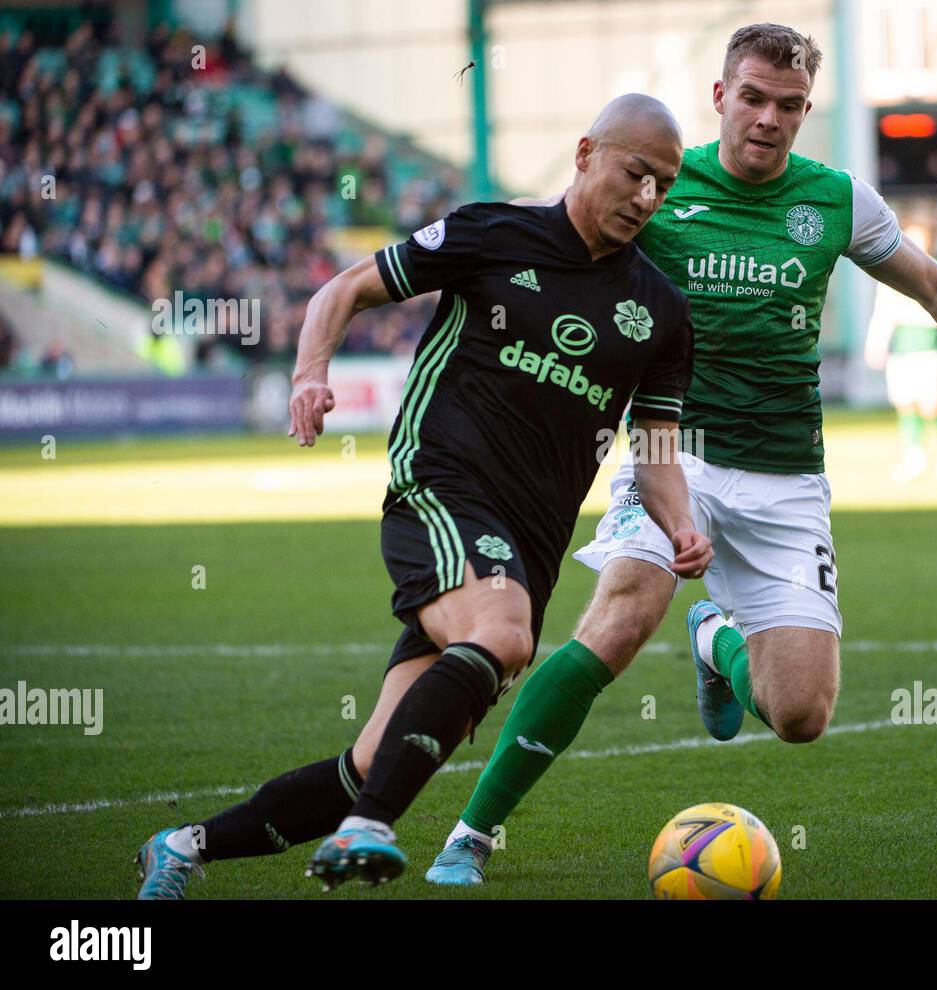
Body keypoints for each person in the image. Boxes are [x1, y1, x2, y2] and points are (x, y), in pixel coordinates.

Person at [427, 22, 937, 886]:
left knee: (801, 714)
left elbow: (933, 286)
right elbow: (555, 242)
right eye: (752, 98)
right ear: (720, 97)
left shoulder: (838, 199)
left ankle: (715, 643)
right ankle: (471, 836)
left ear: (806, 111)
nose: (769, 119)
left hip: (788, 476)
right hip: (677, 456)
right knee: (623, 617)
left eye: (789, 105)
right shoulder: (661, 185)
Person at [134, 94, 711, 898]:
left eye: (665, 185)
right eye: (636, 173)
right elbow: (344, 290)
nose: (648, 197)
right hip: (438, 490)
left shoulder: (660, 310)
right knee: (505, 634)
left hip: (529, 546)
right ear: (585, 154)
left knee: (374, 760)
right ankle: (369, 832)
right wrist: (309, 376)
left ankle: (184, 845)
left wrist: (680, 524)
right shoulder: (490, 233)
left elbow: (653, 449)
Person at [865, 223, 937, 483]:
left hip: (929, 347)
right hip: (902, 347)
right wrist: (876, 344)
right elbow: (883, 313)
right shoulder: (890, 272)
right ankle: (914, 457)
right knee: (906, 404)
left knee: (932, 406)